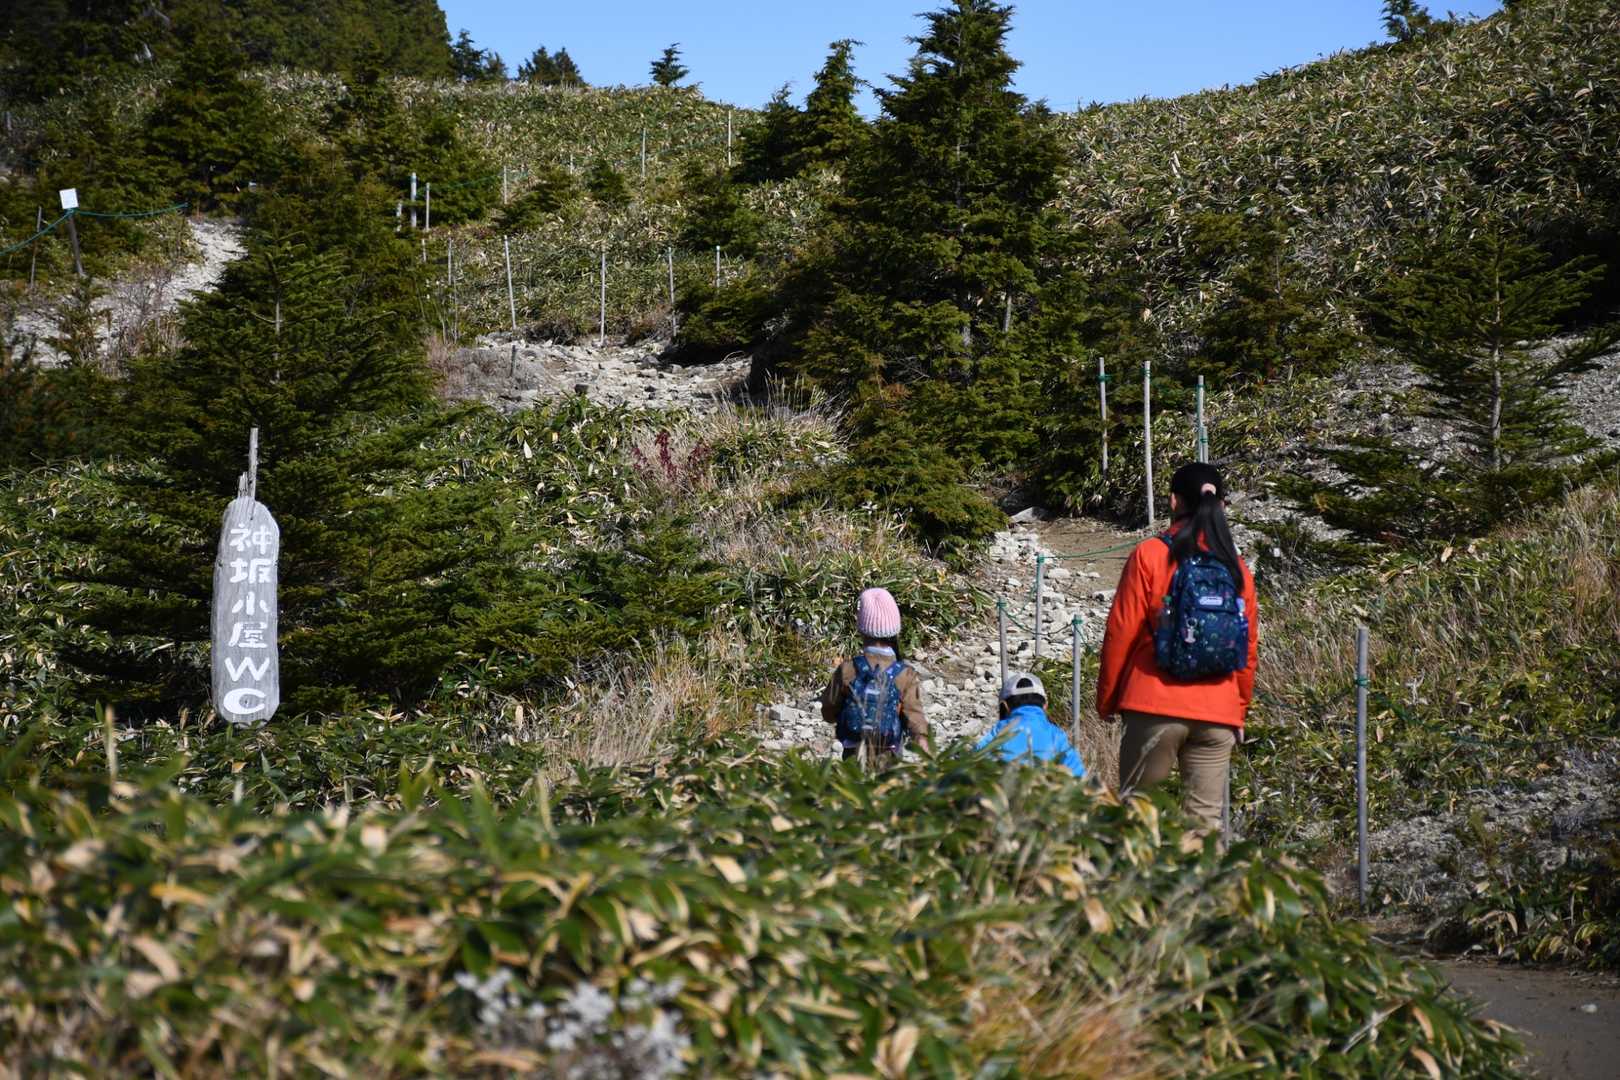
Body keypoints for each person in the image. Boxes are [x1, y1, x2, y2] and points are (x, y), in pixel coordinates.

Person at [1096, 462, 1258, 829]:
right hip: (1218, 711)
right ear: (1222, 505)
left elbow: (1121, 632)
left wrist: (1107, 700)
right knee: (1202, 827)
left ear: (1173, 501)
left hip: (1152, 703)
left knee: (1140, 819)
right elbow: (1247, 649)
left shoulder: (1150, 554)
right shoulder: (1236, 568)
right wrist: (1239, 709)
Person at [821, 587, 930, 760]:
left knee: (852, 778)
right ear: (895, 629)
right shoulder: (905, 674)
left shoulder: (847, 670)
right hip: (889, 754)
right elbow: (914, 715)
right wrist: (922, 739)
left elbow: (828, 711)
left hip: (853, 754)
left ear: (861, 629)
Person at [977, 672, 1085, 777]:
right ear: (1045, 705)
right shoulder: (1056, 735)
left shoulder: (997, 734)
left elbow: (974, 766)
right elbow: (1078, 776)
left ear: (1005, 706)